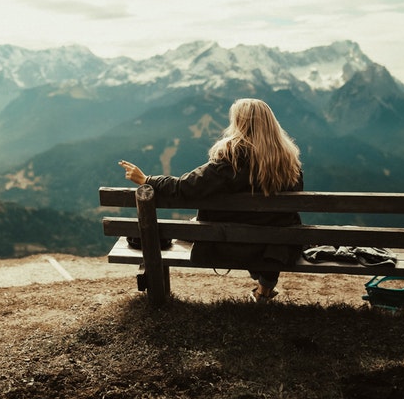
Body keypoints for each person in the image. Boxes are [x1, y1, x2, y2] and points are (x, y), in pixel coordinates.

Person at [118, 98, 303, 302]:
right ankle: (264, 288)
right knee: (268, 228)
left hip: (228, 243)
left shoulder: (231, 159)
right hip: (274, 247)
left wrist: (147, 180)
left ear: (239, 124)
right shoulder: (290, 164)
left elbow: (185, 187)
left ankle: (262, 285)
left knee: (189, 229)